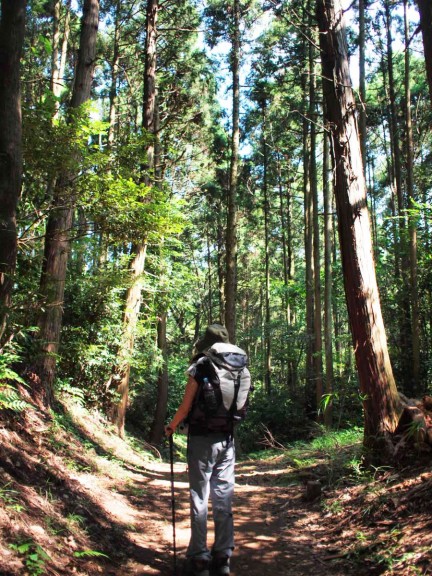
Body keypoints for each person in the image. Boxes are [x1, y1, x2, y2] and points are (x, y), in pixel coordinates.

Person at [165, 323, 246, 576]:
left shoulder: (201, 366)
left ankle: (199, 558)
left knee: (199, 496)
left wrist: (172, 426)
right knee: (223, 497)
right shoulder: (239, 367)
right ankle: (222, 557)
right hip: (228, 439)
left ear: (207, 343)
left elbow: (186, 405)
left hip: (201, 440)